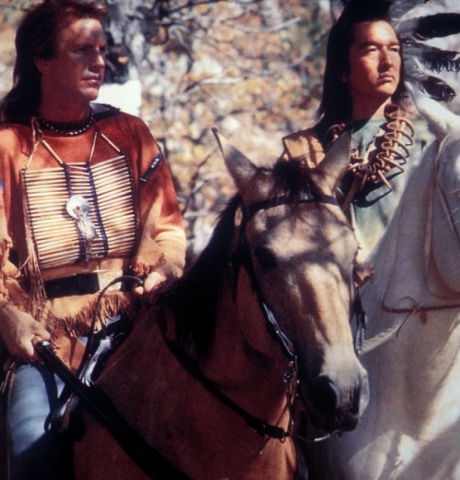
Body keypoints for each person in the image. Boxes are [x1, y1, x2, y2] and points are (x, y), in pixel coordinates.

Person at [0, 1, 186, 479]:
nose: (99, 61)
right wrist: (6, 316)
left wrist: (166, 269)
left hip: (137, 326)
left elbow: (167, 227)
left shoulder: (129, 134)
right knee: (31, 446)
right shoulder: (8, 147)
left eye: (103, 50)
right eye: (82, 50)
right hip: (45, 339)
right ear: (42, 60)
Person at [281, 0, 416, 263]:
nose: (388, 62)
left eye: (394, 49)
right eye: (371, 50)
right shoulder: (304, 150)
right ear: (343, 70)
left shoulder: (432, 142)